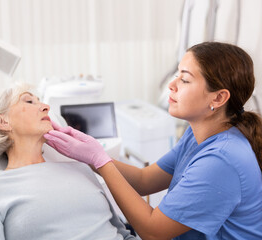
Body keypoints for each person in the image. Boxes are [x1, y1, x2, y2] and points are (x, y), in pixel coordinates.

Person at [44, 42, 262, 239]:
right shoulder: (197, 135)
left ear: (218, 98)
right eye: (177, 75)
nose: (172, 85)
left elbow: (152, 231)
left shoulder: (221, 160)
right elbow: (144, 180)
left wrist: (100, 160)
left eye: (184, 79)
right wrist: (89, 155)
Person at [0, 82, 136, 240]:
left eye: (40, 101)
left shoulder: (81, 169)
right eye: (29, 102)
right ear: (2, 121)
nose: (46, 107)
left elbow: (123, 234)